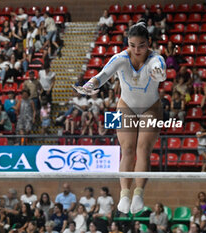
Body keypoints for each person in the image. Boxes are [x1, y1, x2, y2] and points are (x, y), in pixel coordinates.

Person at [73, 20, 167, 215]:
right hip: (125, 106)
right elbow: (103, 74)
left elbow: (161, 73)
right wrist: (91, 84)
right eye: (132, 45)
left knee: (143, 149)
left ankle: (138, 193)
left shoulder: (155, 59)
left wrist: (158, 74)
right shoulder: (120, 58)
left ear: (148, 43)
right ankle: (125, 194)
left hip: (151, 107)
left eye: (141, 46)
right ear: (128, 44)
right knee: (127, 149)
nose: (137, 50)